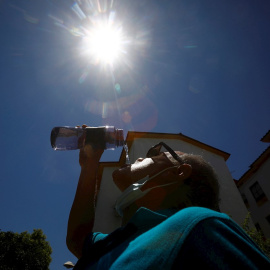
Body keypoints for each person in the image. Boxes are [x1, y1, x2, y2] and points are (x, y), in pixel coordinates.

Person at [66, 140, 270, 269]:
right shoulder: (122, 238)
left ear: (179, 172)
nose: (139, 157)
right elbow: (77, 239)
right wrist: (89, 165)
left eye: (156, 155)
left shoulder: (200, 225)